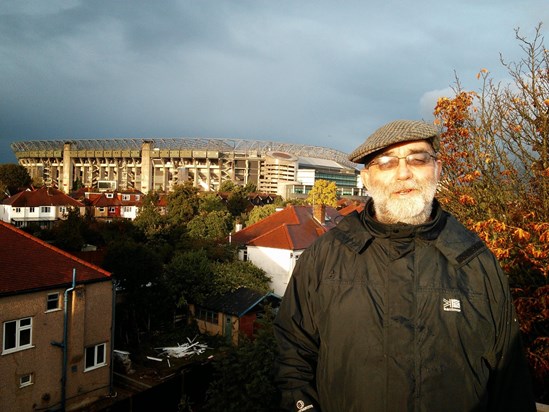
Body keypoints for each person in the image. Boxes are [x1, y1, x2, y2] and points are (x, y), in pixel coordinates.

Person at [273, 120, 536, 412]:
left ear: (437, 170)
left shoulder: (475, 261)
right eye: (386, 163)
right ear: (367, 179)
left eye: (418, 159)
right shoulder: (325, 256)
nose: (403, 173)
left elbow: (510, 381)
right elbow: (293, 352)